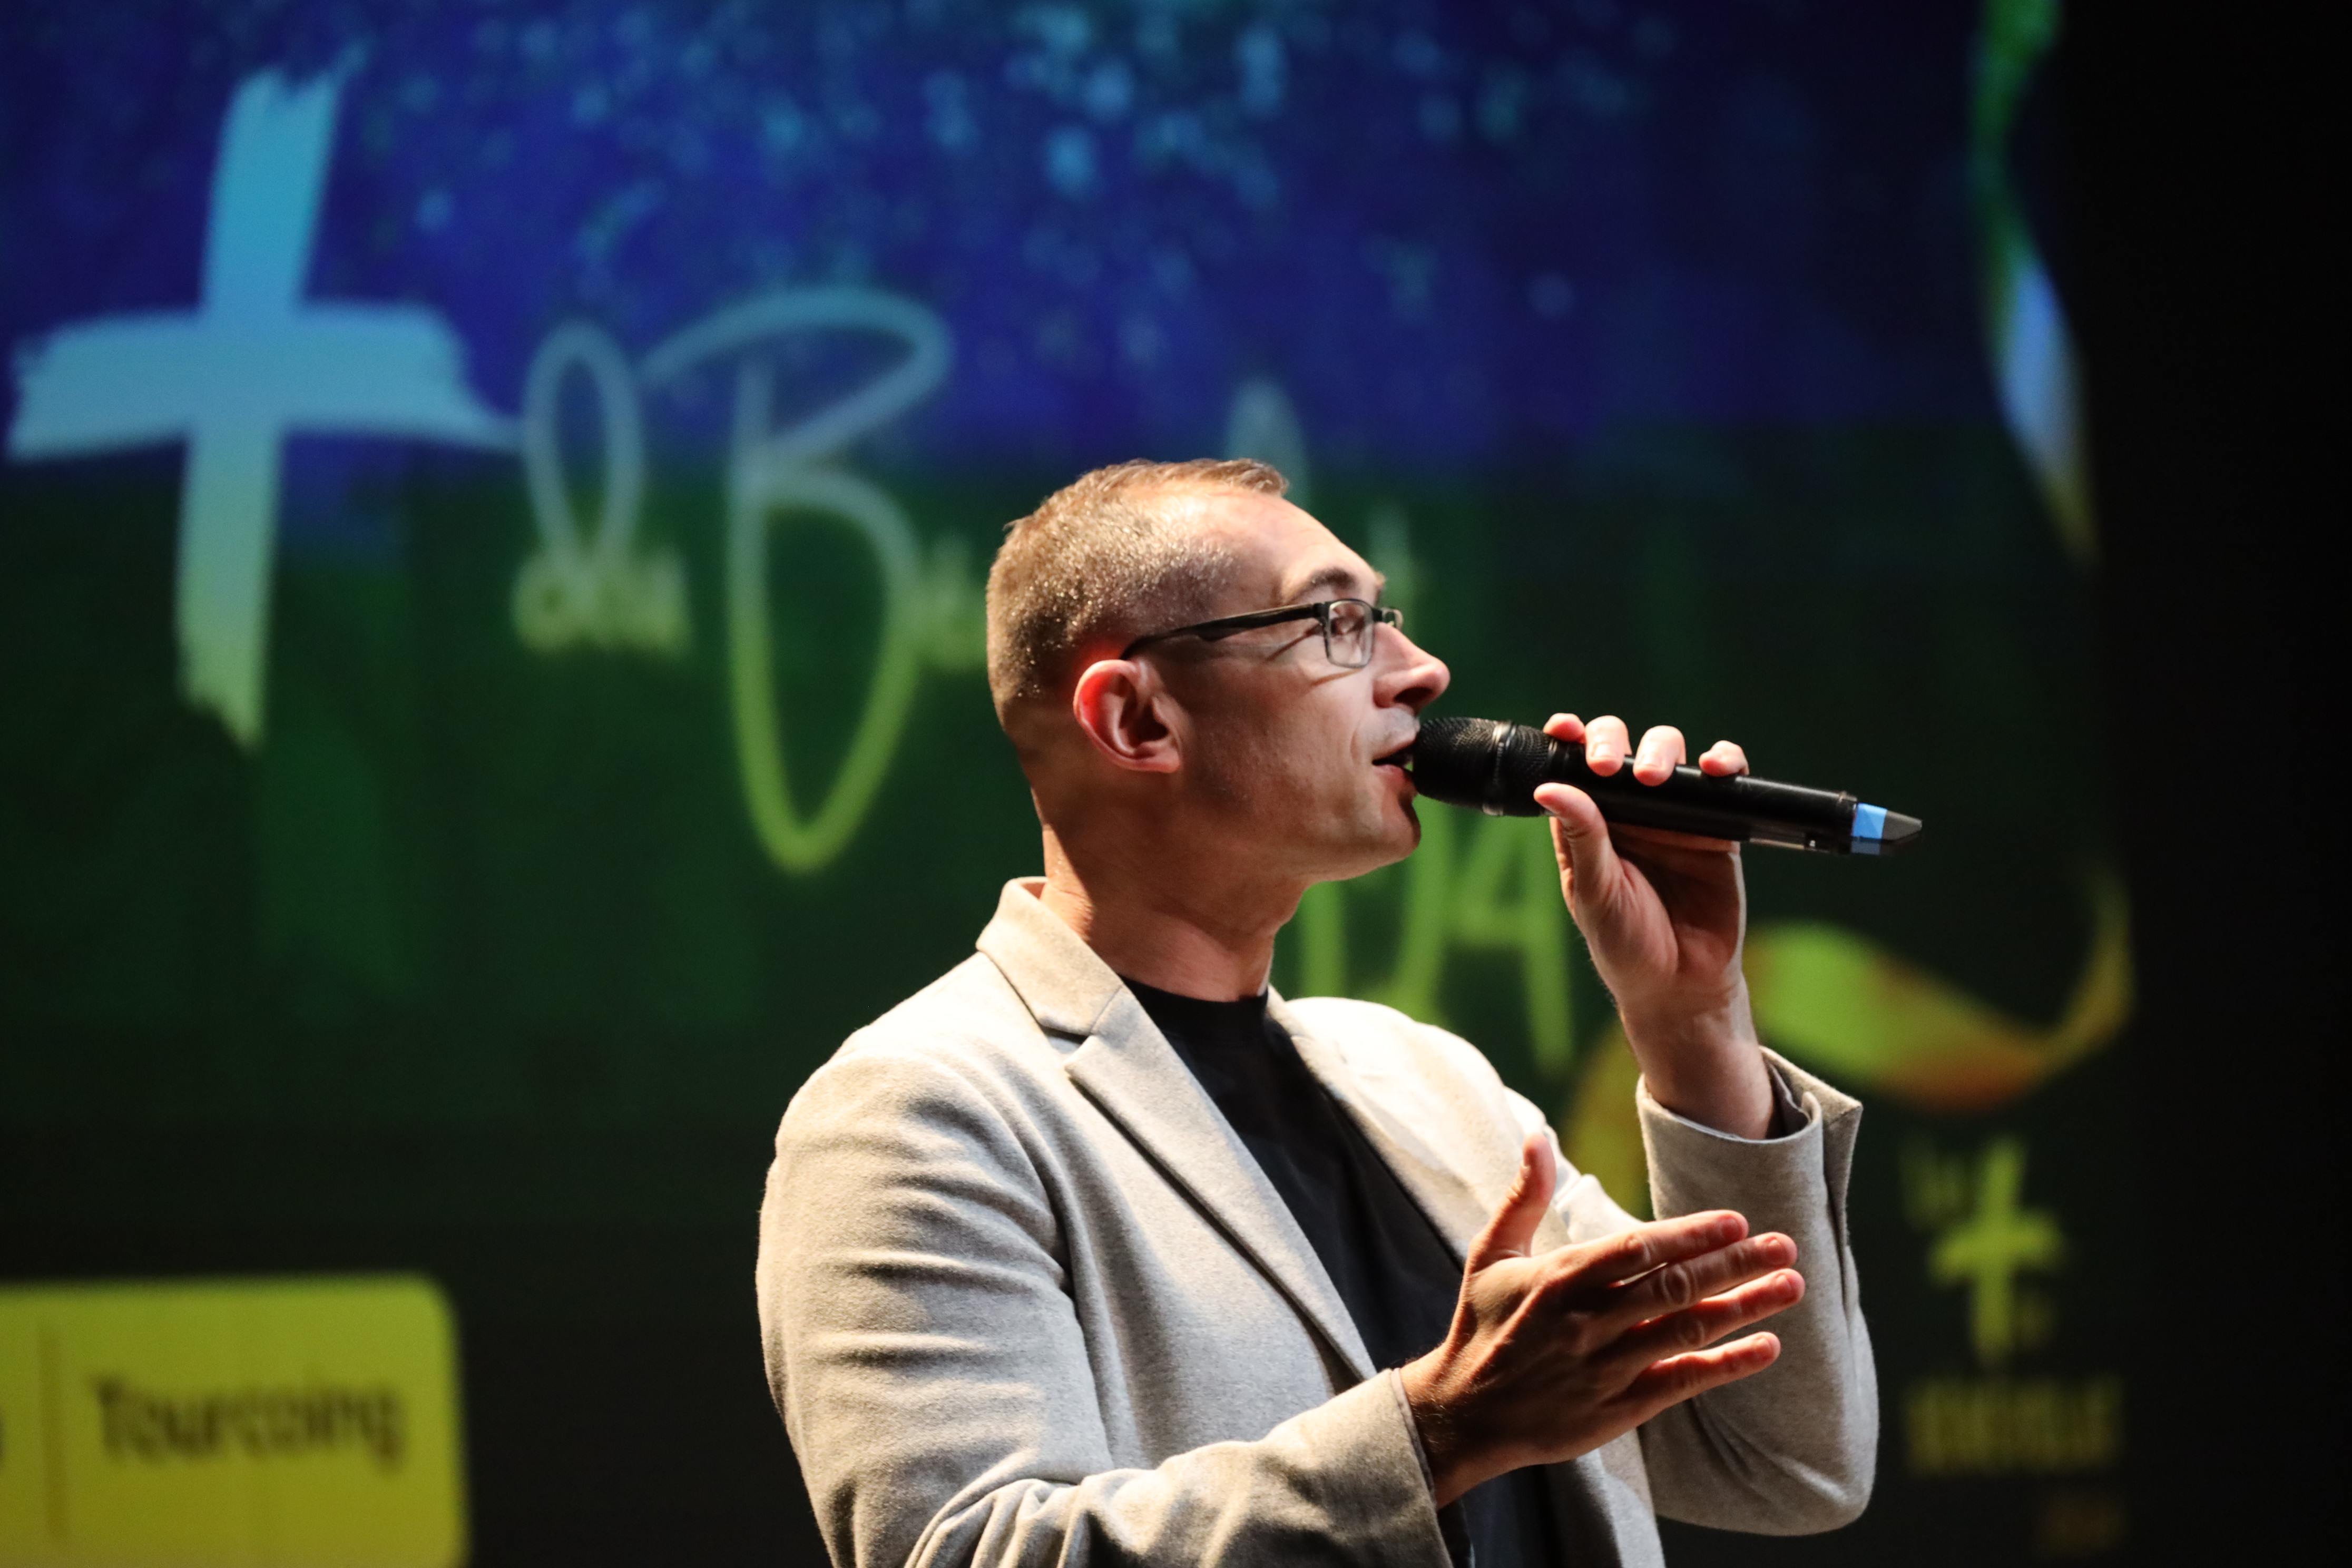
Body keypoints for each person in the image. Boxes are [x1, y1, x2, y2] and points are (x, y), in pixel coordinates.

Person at [757, 459, 1875, 1567]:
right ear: (1138, 718)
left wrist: (1694, 1021)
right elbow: (969, 1551)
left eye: (1386, 617)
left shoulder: (1429, 1084)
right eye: (1337, 622)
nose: (1422, 671)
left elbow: (1786, 1463)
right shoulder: (918, 1113)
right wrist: (1440, 1433)